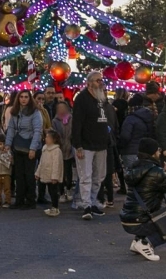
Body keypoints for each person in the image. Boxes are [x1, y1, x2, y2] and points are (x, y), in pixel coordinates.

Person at [121, 136, 166, 262]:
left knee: (147, 209)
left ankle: (138, 241)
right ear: (153, 152)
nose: (159, 152)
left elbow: (150, 183)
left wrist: (165, 173)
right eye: (158, 150)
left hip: (128, 217)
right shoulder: (156, 172)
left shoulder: (133, 168)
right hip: (141, 220)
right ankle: (146, 243)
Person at [71, 70, 112, 220]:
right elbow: (77, 123)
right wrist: (78, 145)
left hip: (101, 144)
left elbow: (107, 120)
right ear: (88, 84)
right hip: (85, 144)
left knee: (99, 176)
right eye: (97, 80)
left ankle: (94, 201)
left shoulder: (102, 98)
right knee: (85, 176)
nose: (100, 82)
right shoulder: (82, 99)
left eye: (101, 80)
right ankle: (86, 204)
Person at [4, 88, 43, 209]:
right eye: (21, 97)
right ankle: (19, 200)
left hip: (30, 145)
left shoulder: (35, 112)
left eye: (26, 97)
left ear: (29, 98)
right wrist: (7, 144)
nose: (23, 99)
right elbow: (10, 129)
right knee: (19, 175)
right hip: (18, 146)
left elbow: (38, 131)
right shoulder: (15, 112)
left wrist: (33, 148)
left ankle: (31, 200)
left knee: (29, 175)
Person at [119, 94, 156, 170]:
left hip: (130, 151)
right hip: (144, 152)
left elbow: (125, 136)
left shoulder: (130, 119)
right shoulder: (149, 116)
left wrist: (120, 147)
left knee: (132, 176)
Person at [36, 128, 65, 217]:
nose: (46, 139)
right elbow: (41, 162)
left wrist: (55, 176)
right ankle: (52, 207)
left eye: (48, 137)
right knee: (48, 190)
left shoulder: (57, 151)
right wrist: (38, 173)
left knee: (53, 192)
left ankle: (55, 207)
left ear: (54, 139)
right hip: (45, 173)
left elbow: (57, 164)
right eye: (46, 137)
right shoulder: (44, 149)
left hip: (52, 175)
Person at [51, 100, 74, 201]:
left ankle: (68, 189)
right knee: (60, 172)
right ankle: (61, 192)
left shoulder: (71, 119)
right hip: (59, 149)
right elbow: (55, 134)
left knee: (68, 171)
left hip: (69, 148)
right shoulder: (55, 121)